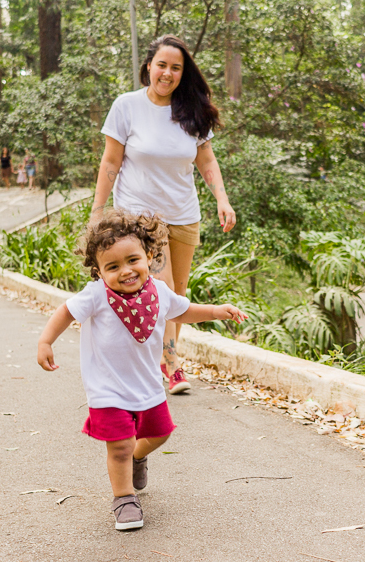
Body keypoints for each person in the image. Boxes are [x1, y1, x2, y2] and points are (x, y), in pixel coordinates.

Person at [36, 210, 247, 531]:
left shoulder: (160, 292)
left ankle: (137, 457)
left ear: (150, 255)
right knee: (118, 445)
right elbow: (66, 311)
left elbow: (185, 311)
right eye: (112, 266)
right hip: (107, 389)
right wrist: (46, 341)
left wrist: (218, 311)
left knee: (160, 432)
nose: (126, 271)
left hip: (147, 385)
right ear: (98, 271)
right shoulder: (96, 295)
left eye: (133, 260)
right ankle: (124, 499)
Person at [90, 34, 236, 395]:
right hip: (139, 217)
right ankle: (171, 366)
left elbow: (206, 160)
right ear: (148, 67)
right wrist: (98, 210)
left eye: (176, 67)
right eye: (162, 65)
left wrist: (222, 199)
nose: (167, 73)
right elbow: (111, 161)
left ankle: (160, 357)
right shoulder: (126, 106)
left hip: (184, 214)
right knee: (164, 287)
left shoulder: (192, 112)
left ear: (182, 73)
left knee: (178, 296)